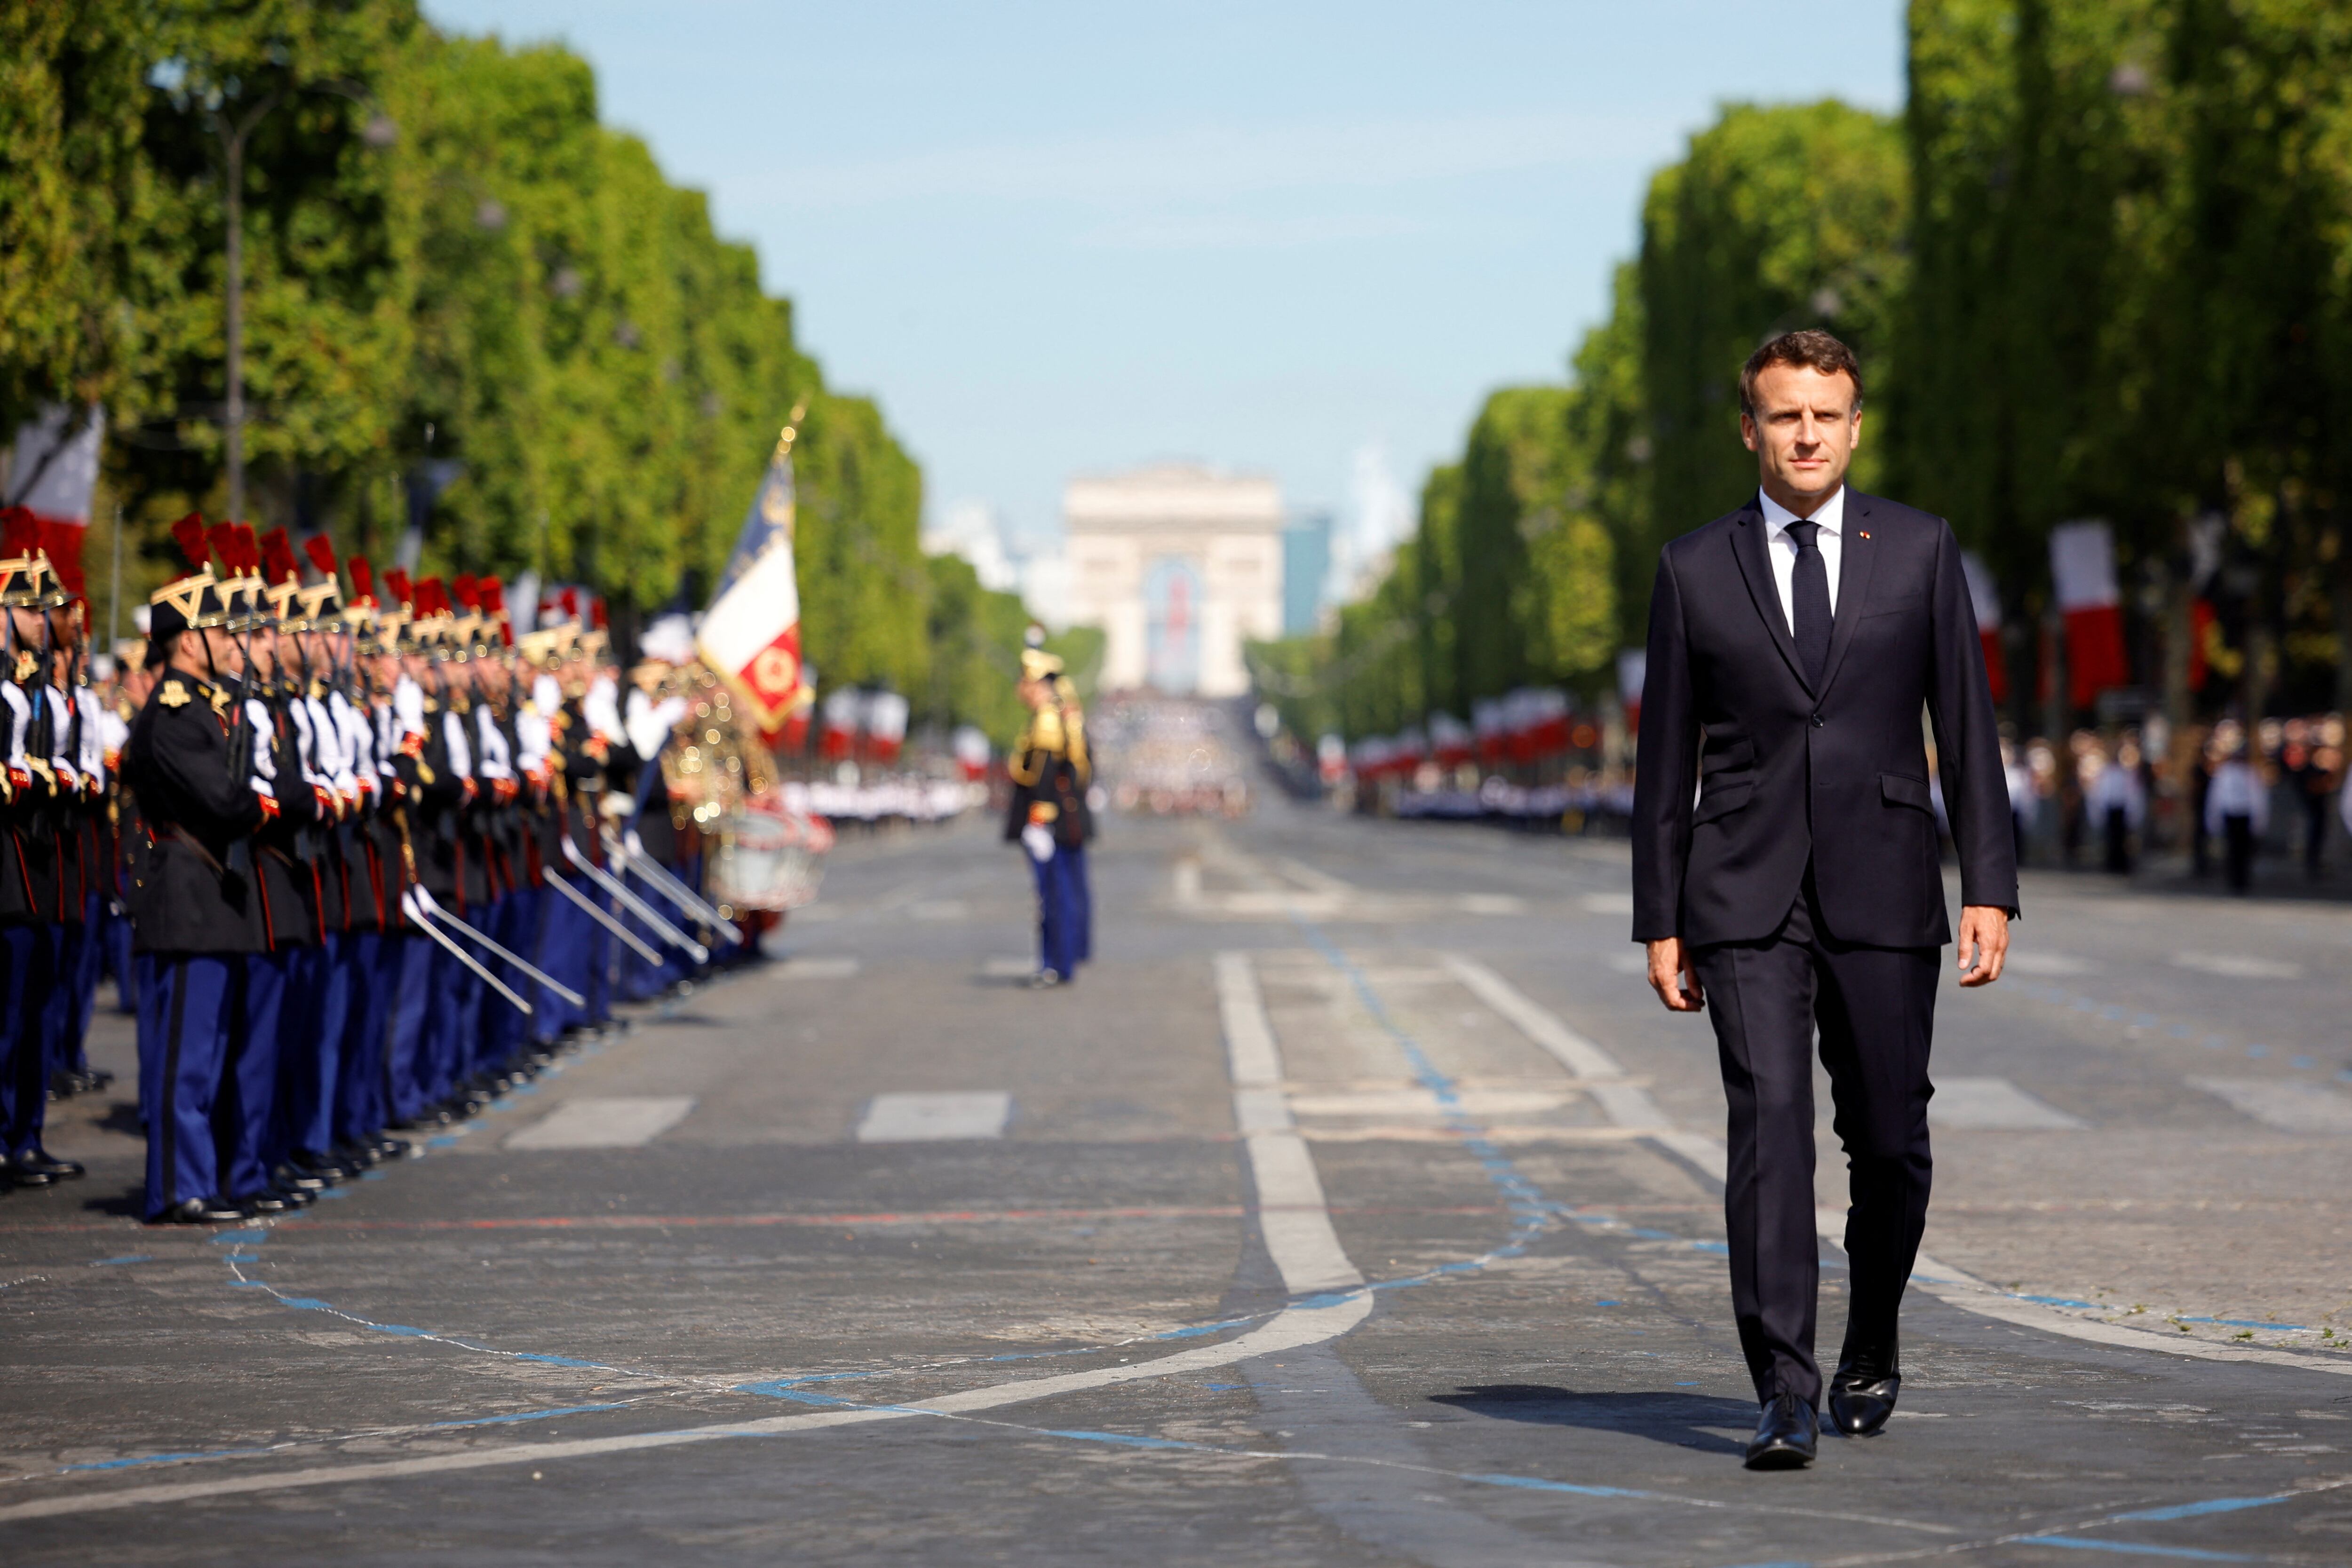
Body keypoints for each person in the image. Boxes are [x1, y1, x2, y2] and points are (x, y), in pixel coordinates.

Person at [1630, 330, 2016, 1471]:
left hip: (1888, 877)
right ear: (1749, 428)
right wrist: (1660, 913)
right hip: (1740, 890)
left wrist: (1989, 884)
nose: (1805, 434)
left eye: (1825, 415)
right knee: (1770, 1133)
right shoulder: (1693, 567)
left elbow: (1970, 729)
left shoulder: (1920, 550)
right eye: (1784, 415)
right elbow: (1662, 763)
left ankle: (1874, 1330)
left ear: (1855, 427)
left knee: (1891, 1142)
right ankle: (1783, 1387)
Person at [1005, 642, 1092, 988]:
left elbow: (1044, 778)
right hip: (1062, 822)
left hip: (1048, 824)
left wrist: (1039, 820)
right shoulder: (1060, 715)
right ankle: (1062, 960)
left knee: (1052, 898)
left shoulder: (1046, 720)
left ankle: (1054, 964)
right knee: (1061, 894)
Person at [2205, 736, 2267, 895]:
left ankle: (2242, 881)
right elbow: (2217, 797)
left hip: (2244, 816)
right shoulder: (2224, 773)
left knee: (2244, 851)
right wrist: (2214, 819)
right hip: (2231, 816)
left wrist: (2259, 820)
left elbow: (2258, 798)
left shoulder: (2251, 773)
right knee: (2232, 850)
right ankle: (2232, 880)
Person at [2084, 738, 2145, 875]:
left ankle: (2123, 864)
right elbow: (2102, 792)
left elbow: (2131, 794)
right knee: (2111, 838)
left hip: (2121, 809)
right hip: (2111, 809)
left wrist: (2132, 811)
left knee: (2123, 839)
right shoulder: (2106, 772)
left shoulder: (2126, 773)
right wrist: (2100, 808)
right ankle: (2111, 863)